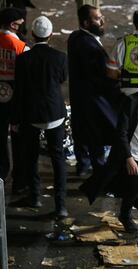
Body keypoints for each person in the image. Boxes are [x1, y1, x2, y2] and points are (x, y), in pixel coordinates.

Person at [81, 72, 138, 251]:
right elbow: (121, 132)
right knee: (132, 190)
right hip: (135, 157)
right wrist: (128, 158)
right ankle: (125, 214)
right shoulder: (131, 102)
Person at [12, 16, 68, 217]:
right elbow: (61, 78)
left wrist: (15, 119)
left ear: (32, 35)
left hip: (31, 113)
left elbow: (19, 91)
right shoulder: (60, 57)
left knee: (31, 156)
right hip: (55, 113)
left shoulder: (23, 60)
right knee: (58, 158)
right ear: (51, 36)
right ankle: (60, 205)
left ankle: (34, 196)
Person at [67, 4, 119, 176]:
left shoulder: (75, 38)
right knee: (97, 135)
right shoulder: (90, 47)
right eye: (97, 18)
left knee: (81, 131)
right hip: (94, 101)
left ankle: (83, 165)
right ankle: (99, 173)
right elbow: (101, 78)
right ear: (86, 23)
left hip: (79, 97)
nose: (102, 20)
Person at [0, 7, 29, 192]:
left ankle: (1, 172)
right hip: (16, 95)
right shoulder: (20, 47)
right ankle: (19, 179)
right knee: (18, 136)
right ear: (13, 24)